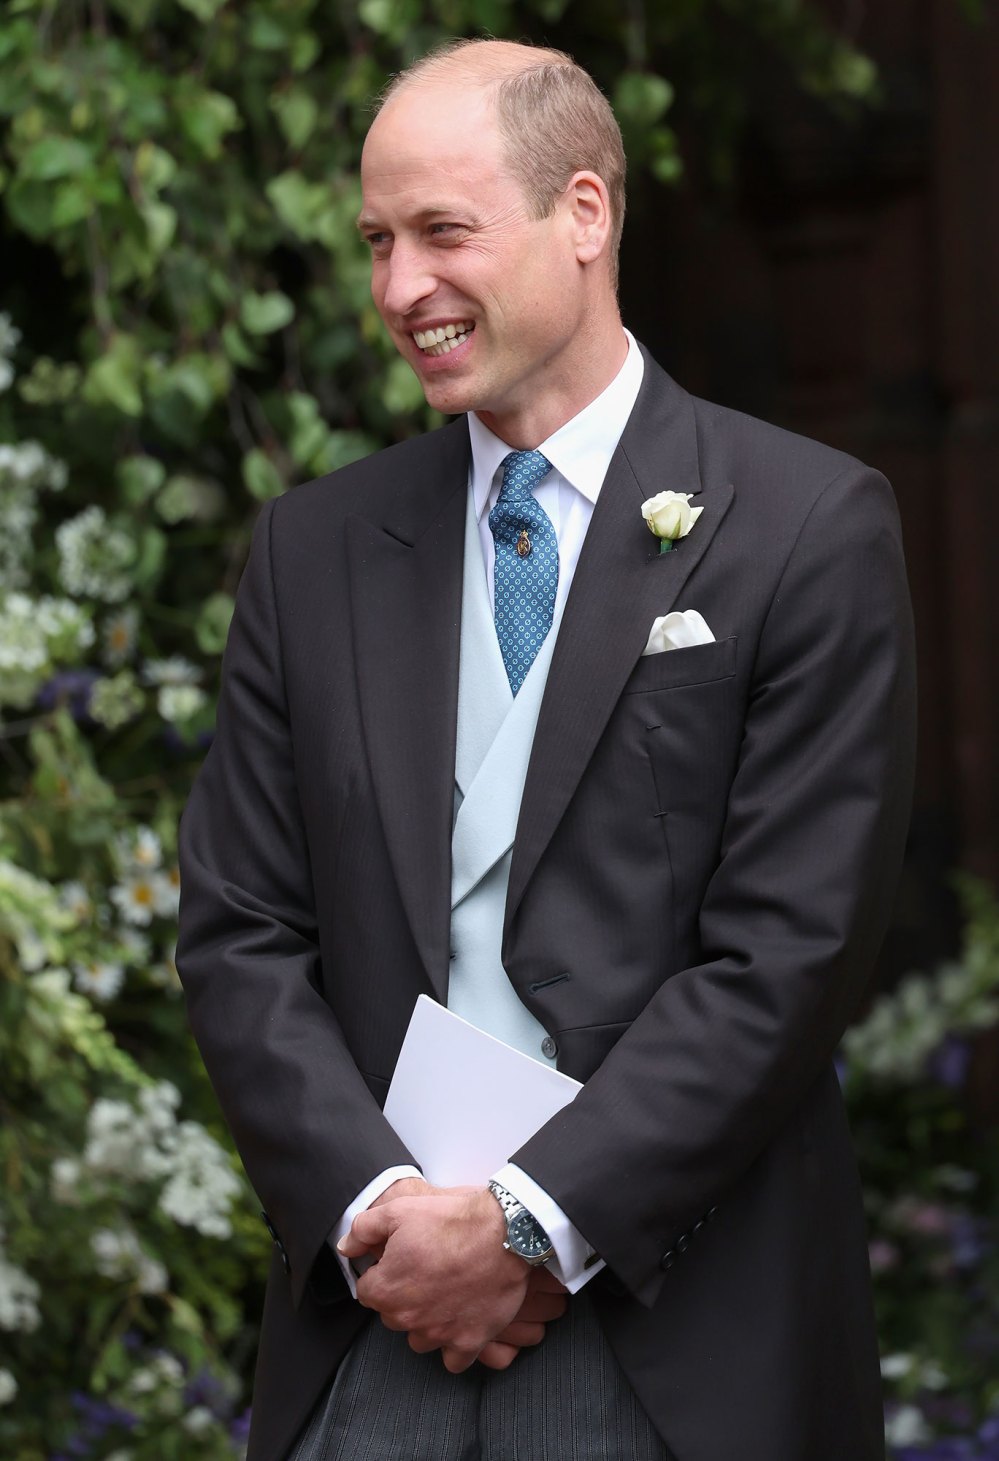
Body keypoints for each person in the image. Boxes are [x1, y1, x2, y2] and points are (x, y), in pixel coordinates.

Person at [176, 36, 915, 1461]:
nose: (401, 289)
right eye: (379, 242)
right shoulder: (315, 546)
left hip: (674, 1339)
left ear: (584, 215)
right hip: (370, 1327)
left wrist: (529, 1221)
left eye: (443, 232)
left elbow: (789, 953)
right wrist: (378, 1211)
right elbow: (240, 933)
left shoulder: (806, 527)